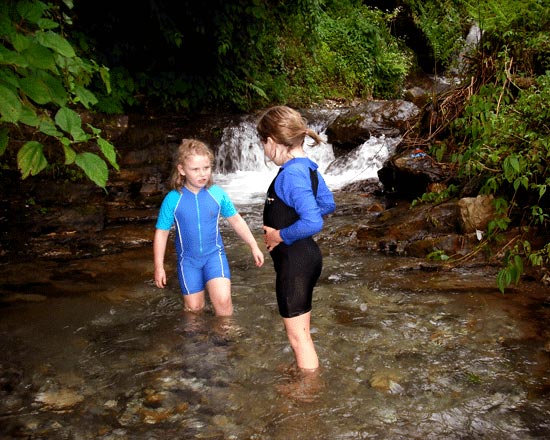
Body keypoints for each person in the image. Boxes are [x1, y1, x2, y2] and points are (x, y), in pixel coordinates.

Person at [257, 106, 336, 371]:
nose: (264, 151)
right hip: (307, 258)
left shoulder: (290, 174)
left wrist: (280, 234)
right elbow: (327, 203)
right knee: (302, 333)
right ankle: (304, 372)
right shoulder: (308, 168)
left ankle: (308, 394)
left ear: (271, 141)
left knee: (298, 337)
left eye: (263, 144)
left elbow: (314, 221)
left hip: (295, 263)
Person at [153, 138, 264, 316]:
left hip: (214, 257)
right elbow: (162, 233)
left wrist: (253, 245)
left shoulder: (217, 194)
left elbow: (236, 220)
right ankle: (197, 342)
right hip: (188, 262)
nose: (202, 174)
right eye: (195, 169)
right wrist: (159, 266)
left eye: (206, 168)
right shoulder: (173, 199)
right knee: (194, 310)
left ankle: (225, 340)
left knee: (223, 302)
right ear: (182, 170)